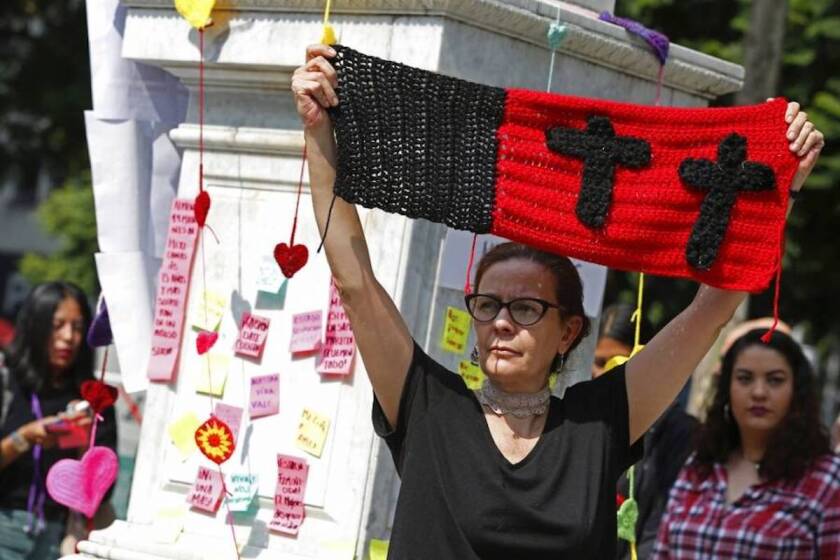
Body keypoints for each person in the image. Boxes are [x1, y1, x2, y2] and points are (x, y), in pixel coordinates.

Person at [291, 44, 824, 558]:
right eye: (488, 305)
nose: (501, 322)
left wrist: (782, 189)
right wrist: (319, 131)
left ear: (569, 332)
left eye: (525, 309)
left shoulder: (600, 422)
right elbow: (355, 281)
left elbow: (711, 311)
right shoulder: (428, 406)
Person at [653, 329, 840, 558]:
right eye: (744, 378)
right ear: (727, 389)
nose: (759, 392)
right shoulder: (701, 466)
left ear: (796, 391)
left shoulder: (825, 479)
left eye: (775, 380)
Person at [0, 282, 117, 560]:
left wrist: (84, 441)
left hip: (59, 536)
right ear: (36, 326)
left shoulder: (92, 397)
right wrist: (24, 437)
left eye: (78, 327)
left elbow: (101, 493)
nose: (68, 337)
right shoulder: (7, 381)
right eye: (57, 325)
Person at [593, 304, 698, 560]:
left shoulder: (680, 433)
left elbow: (661, 529)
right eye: (598, 361)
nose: (604, 372)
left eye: (618, 361)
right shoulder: (579, 420)